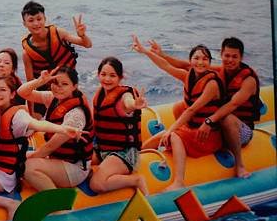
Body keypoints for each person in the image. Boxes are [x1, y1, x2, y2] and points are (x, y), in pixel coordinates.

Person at [0, 75, 83, 219]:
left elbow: (37, 124)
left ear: (12, 94)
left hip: (4, 173)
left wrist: (63, 129)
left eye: (3, 90)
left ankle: (10, 204)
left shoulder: (17, 115)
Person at [146, 37, 258, 178]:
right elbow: (185, 65)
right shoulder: (219, 71)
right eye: (227, 55)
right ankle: (188, 139)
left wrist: (208, 121)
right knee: (180, 106)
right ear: (221, 54)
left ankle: (240, 165)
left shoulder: (249, 80)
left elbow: (232, 104)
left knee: (226, 118)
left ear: (241, 57)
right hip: (218, 127)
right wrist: (161, 54)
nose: (230, 60)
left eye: (234, 56)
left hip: (242, 130)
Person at [132, 36, 225, 191]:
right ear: (190, 61)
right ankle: (133, 161)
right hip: (193, 131)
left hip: (208, 137)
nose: (200, 62)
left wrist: (171, 130)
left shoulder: (212, 84)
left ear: (209, 62)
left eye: (205, 59)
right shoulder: (188, 76)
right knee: (155, 139)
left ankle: (179, 182)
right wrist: (145, 51)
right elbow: (165, 66)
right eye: (196, 58)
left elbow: (192, 110)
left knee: (172, 135)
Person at [17, 66, 94, 191]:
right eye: (55, 83)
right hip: (56, 159)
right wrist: (40, 81)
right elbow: (22, 92)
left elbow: (49, 147)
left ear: (74, 86)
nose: (58, 87)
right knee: (15, 156)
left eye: (64, 84)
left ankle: (57, 204)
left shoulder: (76, 114)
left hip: (74, 167)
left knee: (26, 166)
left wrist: (23, 161)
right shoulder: (53, 98)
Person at [20, 1, 92, 116]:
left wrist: (82, 35)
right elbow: (30, 85)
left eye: (39, 19)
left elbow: (87, 45)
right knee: (37, 118)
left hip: (67, 83)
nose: (36, 23)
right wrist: (31, 114)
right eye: (31, 20)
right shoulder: (26, 53)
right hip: (45, 89)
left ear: (45, 19)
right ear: (24, 23)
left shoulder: (59, 33)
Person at [89, 57, 149, 195]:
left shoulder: (124, 95)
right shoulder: (100, 95)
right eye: (103, 74)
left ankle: (136, 180)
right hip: (102, 149)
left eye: (112, 75)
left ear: (120, 77)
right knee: (77, 161)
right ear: (98, 75)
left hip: (124, 152)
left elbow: (129, 104)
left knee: (96, 184)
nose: (107, 79)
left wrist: (135, 104)